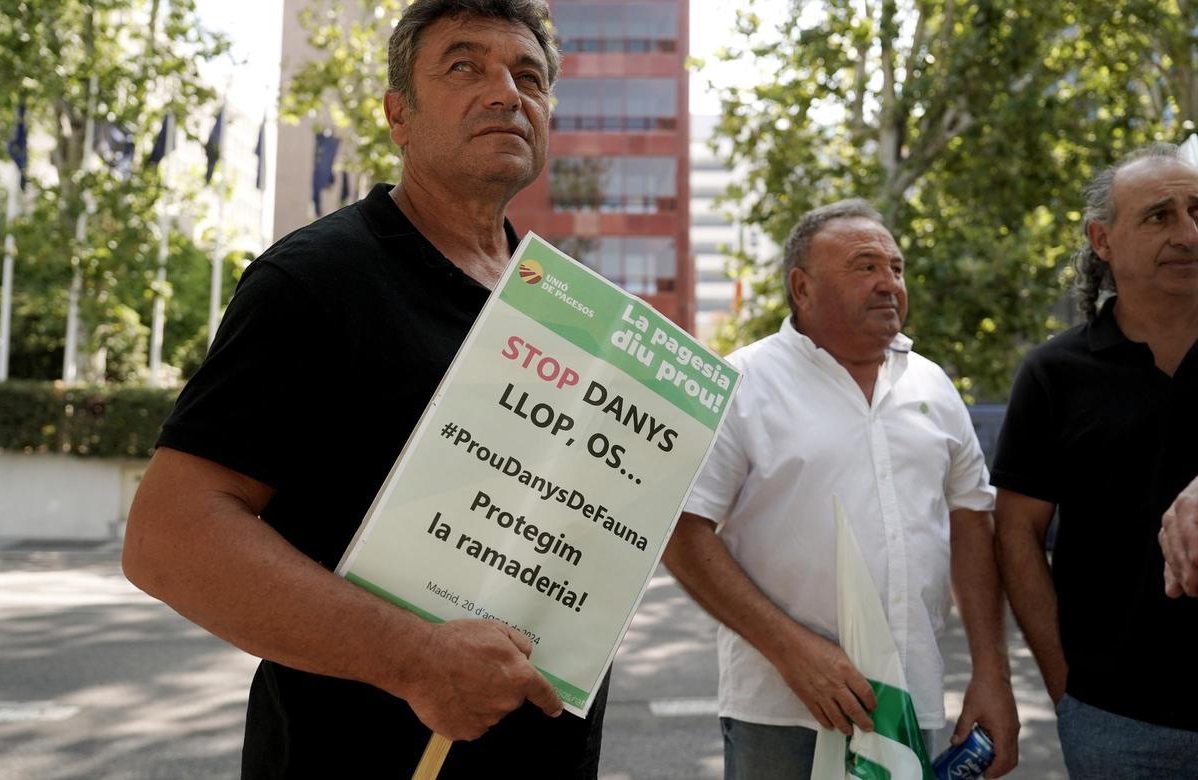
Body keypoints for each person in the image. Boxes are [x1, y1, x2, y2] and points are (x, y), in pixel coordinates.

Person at [121, 1, 609, 776]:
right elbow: (168, 537)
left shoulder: (567, 309)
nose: (506, 92)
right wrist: (416, 659)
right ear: (398, 117)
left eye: (529, 77)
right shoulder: (316, 279)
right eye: (463, 66)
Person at [662, 200, 1019, 779]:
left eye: (897, 269)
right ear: (802, 288)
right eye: (865, 267)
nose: (889, 284)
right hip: (784, 714)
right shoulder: (743, 384)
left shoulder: (931, 383)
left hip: (912, 708)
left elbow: (972, 522)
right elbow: (680, 531)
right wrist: (791, 650)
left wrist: (990, 675)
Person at [992, 143, 1198, 778]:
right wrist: (1067, 686)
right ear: (1102, 241)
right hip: (1117, 721)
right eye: (1159, 216)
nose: (1188, 233)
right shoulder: (1054, 375)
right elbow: (1017, 533)